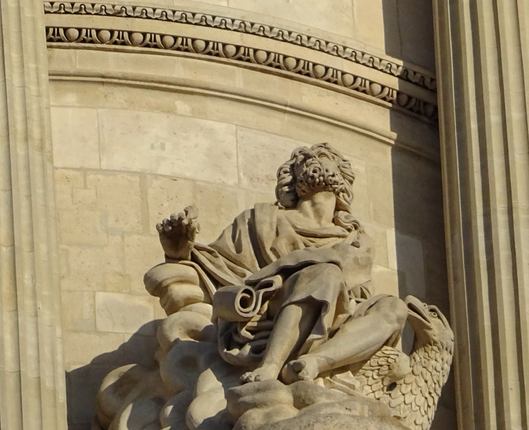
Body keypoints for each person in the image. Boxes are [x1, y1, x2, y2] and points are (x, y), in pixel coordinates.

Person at [152, 143, 407, 385]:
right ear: (292, 178)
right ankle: (271, 367)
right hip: (268, 310)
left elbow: (357, 299)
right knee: (325, 274)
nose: (314, 160)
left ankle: (313, 362)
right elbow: (219, 267)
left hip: (333, 323)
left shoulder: (356, 240)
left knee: (394, 307)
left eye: (325, 157)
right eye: (304, 161)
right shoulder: (261, 220)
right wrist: (180, 252)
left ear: (343, 178)